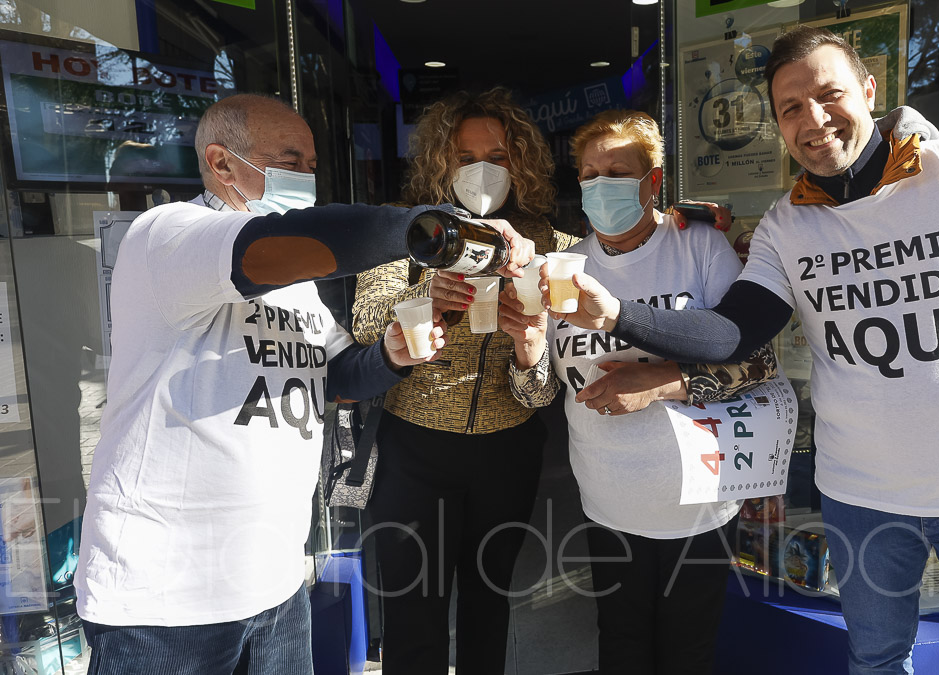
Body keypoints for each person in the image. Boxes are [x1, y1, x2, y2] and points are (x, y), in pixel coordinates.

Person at [545, 27, 939, 675]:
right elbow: (731, 334)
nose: (813, 119)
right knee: (877, 663)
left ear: (868, 88)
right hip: (862, 503)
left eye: (828, 95)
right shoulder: (786, 225)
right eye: (791, 108)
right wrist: (616, 313)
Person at [74, 93, 532, 675]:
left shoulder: (295, 284)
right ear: (220, 163)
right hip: (167, 596)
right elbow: (295, 242)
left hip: (274, 582)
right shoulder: (170, 235)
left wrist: (391, 356)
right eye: (289, 162)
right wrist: (440, 231)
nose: (305, 181)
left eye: (312, 167)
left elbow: (335, 376)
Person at [501, 109, 777, 674]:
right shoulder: (562, 268)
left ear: (652, 181)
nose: (600, 185)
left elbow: (758, 363)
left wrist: (660, 384)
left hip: (698, 501)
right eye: (588, 173)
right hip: (608, 501)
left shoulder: (698, 247)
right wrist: (529, 346)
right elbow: (536, 397)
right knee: (620, 645)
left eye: (617, 172)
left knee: (688, 651)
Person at [351, 87, 572, 674]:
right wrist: (430, 293)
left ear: (519, 163)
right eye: (464, 156)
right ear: (438, 163)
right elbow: (365, 325)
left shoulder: (553, 247)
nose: (481, 171)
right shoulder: (402, 235)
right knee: (412, 608)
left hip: (508, 449)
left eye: (497, 157)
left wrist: (530, 353)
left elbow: (548, 389)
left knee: (489, 601)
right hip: (414, 448)